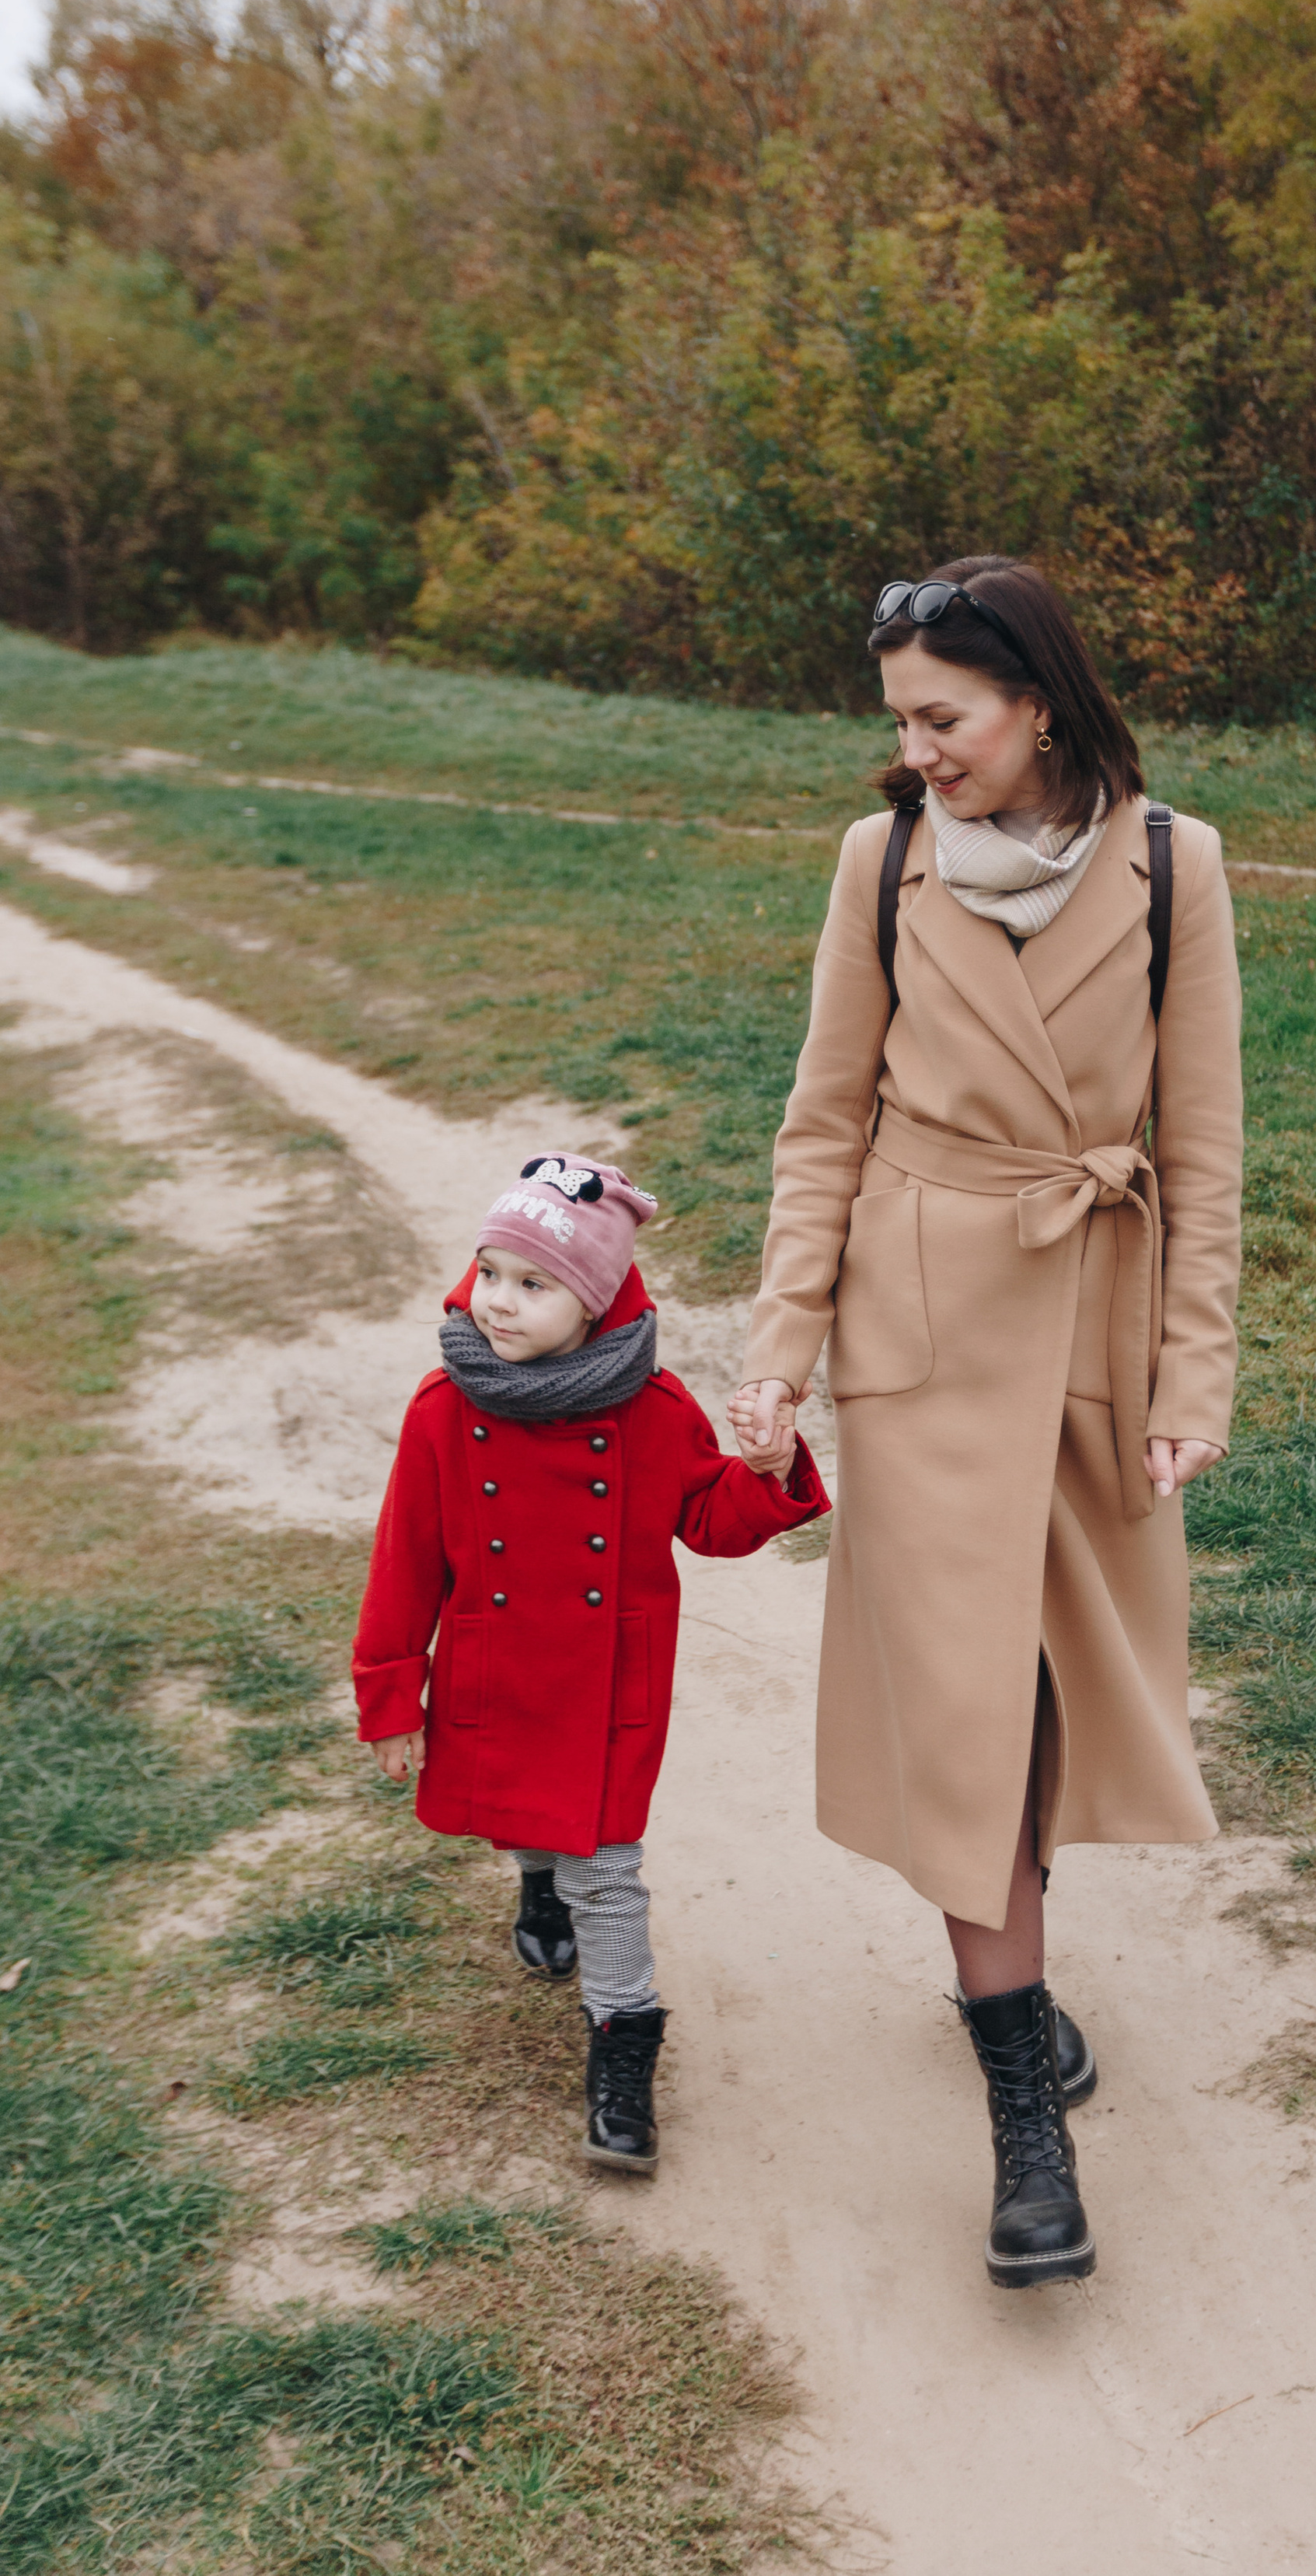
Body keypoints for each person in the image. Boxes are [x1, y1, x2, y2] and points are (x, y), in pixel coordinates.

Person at [727, 557, 1241, 2286]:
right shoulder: (882, 865)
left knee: (1049, 1710)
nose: (916, 752)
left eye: (940, 718)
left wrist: (1192, 1377)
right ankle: (1024, 2119)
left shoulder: (1177, 866)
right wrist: (779, 1344)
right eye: (899, 723)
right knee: (961, 1720)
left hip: (1094, 1315)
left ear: (1034, 699)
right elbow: (821, 1122)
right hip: (925, 1331)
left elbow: (1205, 1151)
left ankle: (1011, 1978)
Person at [354, 1152, 827, 2174]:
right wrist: (393, 1695)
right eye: (489, 1273)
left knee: (606, 1873)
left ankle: (623, 2045)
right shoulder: (443, 1408)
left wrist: (770, 1470)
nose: (500, 1302)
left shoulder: (649, 1412)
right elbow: (405, 1564)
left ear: (598, 1300)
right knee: (526, 1813)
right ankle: (537, 1888)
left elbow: (711, 1518)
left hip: (608, 1685)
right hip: (492, 1666)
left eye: (534, 1284)